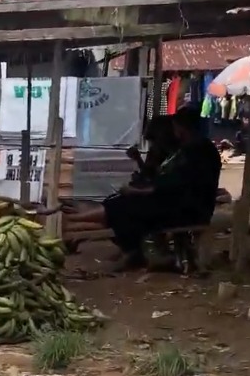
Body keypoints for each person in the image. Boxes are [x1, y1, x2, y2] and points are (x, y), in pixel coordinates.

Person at [69, 107, 220, 270]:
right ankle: (129, 249)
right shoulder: (193, 148)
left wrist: (137, 191)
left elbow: (173, 184)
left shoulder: (196, 151)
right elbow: (166, 182)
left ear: (181, 127)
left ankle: (132, 251)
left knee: (125, 207)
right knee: (122, 206)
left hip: (189, 210)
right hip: (182, 205)